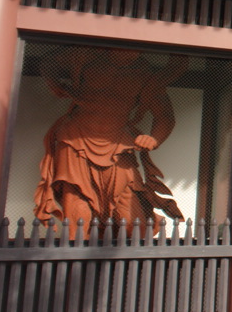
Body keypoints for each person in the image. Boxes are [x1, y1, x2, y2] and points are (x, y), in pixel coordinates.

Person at [34, 46, 188, 228]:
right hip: (76, 139)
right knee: (78, 210)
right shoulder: (86, 56)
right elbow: (47, 62)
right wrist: (55, 83)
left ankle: (129, 255)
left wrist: (154, 139)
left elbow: (164, 116)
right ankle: (77, 254)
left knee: (132, 221)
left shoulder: (145, 74)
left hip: (118, 144)